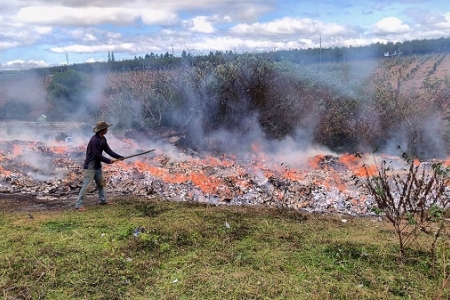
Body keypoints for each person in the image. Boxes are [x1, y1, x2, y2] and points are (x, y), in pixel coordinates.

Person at [74, 121, 124, 211]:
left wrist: (119, 157)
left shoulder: (103, 139)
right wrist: (108, 161)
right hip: (90, 165)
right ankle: (78, 204)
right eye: (106, 128)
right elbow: (97, 154)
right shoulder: (94, 140)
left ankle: (103, 200)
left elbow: (109, 151)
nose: (107, 129)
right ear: (102, 130)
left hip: (97, 165)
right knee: (86, 185)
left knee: (101, 183)